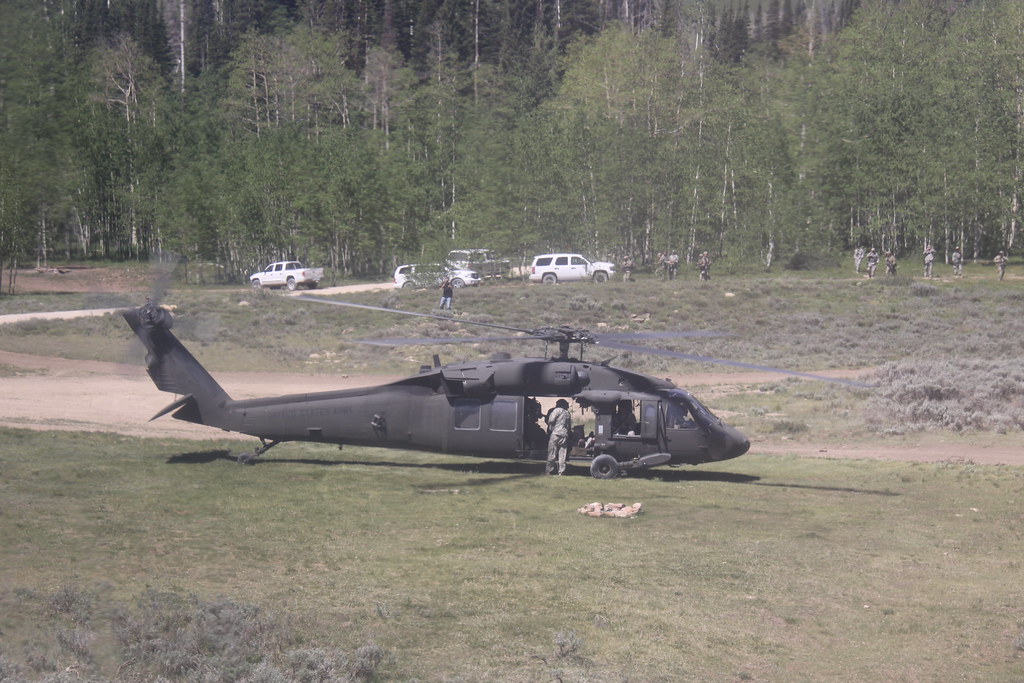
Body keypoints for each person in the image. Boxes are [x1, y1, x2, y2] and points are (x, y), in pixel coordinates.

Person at [545, 399, 572, 475]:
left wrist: (551, 427)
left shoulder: (556, 410)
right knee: (562, 454)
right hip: (564, 435)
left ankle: (549, 470)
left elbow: (550, 420)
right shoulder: (567, 413)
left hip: (555, 434)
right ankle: (561, 472)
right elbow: (569, 426)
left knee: (552, 453)